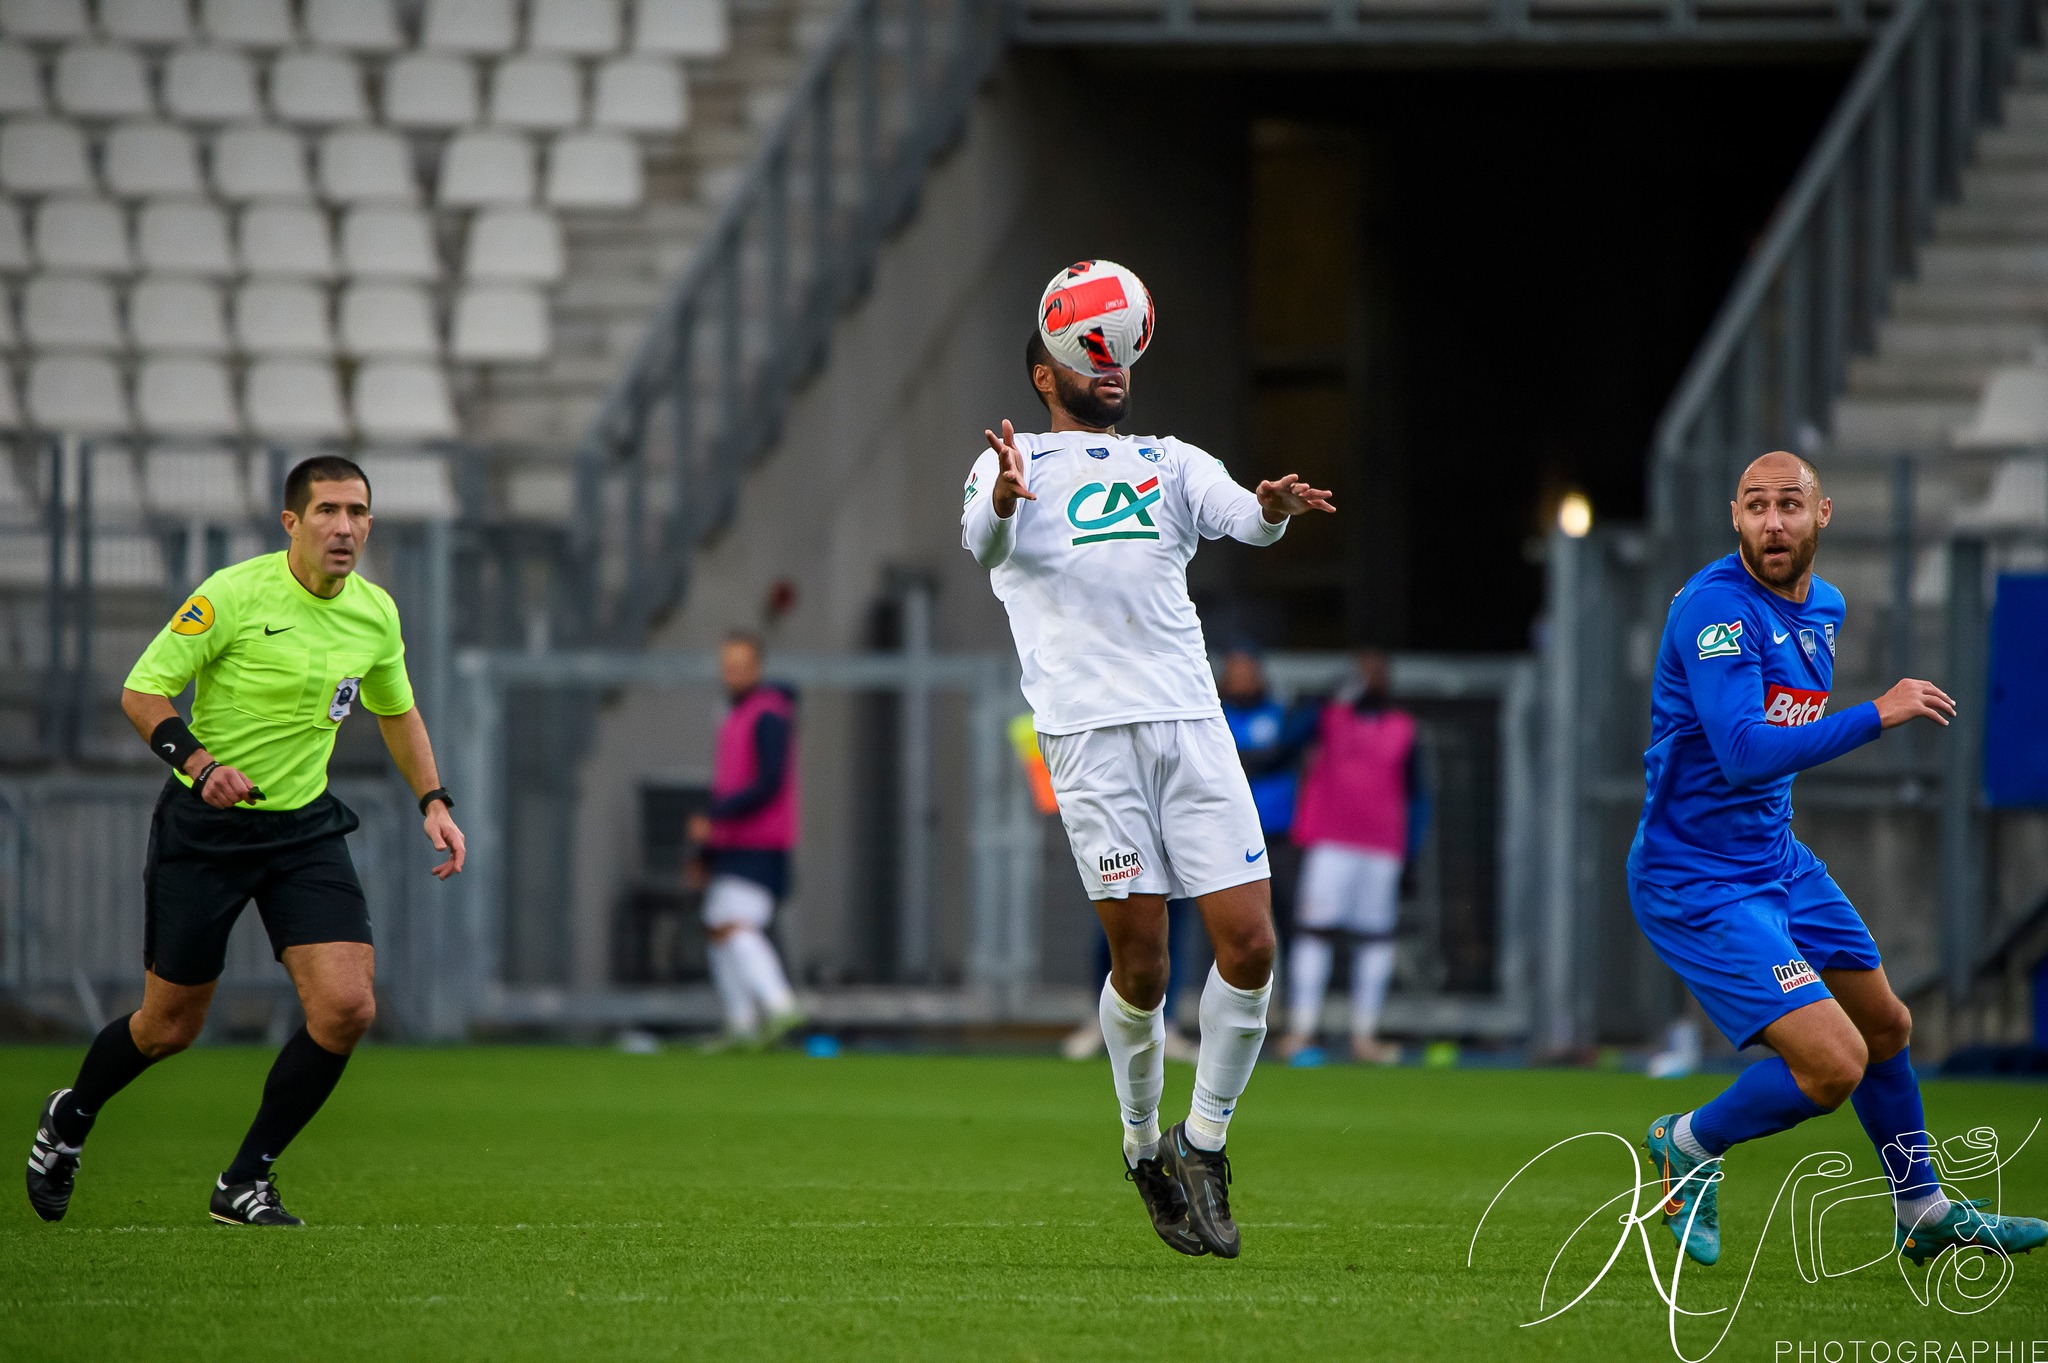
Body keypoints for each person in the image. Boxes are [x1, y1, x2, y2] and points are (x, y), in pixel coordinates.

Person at [963, 323, 1333, 1260]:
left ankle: (1203, 1144)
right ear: (1046, 375)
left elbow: (1241, 515)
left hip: (1192, 726)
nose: (1112, 367)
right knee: (1144, 967)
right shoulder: (1011, 460)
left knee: (1249, 944)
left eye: (1120, 353)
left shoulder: (1169, 461)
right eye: (1091, 357)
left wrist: (1273, 507)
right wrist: (1004, 497)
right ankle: (1141, 1145)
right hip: (1089, 739)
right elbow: (980, 543)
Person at [24, 456, 464, 1228]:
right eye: (327, 511)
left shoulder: (375, 612)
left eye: (358, 512)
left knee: (347, 1005)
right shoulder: (231, 593)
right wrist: (198, 763)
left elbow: (397, 712)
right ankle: (72, 1114)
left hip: (303, 828)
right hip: (208, 828)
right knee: (169, 1026)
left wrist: (433, 798)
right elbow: (142, 690)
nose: (345, 527)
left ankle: (245, 1179)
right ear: (291, 522)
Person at [1631, 450, 2045, 1267]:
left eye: (1790, 504)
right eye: (1756, 506)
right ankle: (1685, 1143)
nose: (1772, 521)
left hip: (1778, 861)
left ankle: (1921, 1208)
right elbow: (1748, 752)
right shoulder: (1716, 611)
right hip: (1697, 879)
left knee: (1888, 1022)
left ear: (1822, 515)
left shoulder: (1824, 603)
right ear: (1735, 516)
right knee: (1832, 1065)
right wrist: (1878, 712)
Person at [1279, 649, 1427, 1066]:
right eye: (1364, 673)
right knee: (1314, 930)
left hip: (1382, 847)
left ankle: (1365, 1034)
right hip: (1331, 842)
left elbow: (1417, 796)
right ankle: (1302, 1029)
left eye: (1378, 673)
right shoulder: (1329, 718)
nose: (1371, 680)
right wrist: (1330, 697)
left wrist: (1410, 852)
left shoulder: (1403, 728)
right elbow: (1289, 740)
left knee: (1376, 937)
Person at [686, 633, 803, 1049]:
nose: (731, 671)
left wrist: (714, 818)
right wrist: (707, 849)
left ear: (757, 667)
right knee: (719, 923)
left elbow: (769, 783)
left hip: (761, 842)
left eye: (740, 663)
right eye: (726, 663)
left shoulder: (768, 715)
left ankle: (779, 1003)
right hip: (734, 841)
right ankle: (741, 1024)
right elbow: (730, 784)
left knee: (735, 923)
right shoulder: (734, 716)